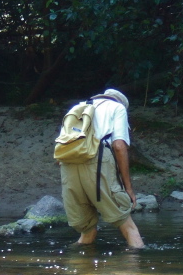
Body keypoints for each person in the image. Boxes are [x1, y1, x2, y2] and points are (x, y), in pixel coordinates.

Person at [59, 89, 145, 249]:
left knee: (87, 230)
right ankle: (137, 270)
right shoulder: (117, 108)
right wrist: (128, 188)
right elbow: (119, 146)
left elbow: (63, 145)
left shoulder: (78, 108)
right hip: (97, 160)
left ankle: (75, 268)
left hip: (68, 163)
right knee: (127, 225)